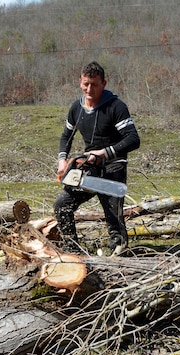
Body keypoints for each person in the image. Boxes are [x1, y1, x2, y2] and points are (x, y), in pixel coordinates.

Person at [54, 61, 140, 256]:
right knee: (62, 205)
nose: (89, 89)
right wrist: (62, 160)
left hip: (114, 167)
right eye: (86, 84)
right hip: (89, 167)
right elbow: (66, 137)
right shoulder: (76, 108)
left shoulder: (116, 107)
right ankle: (72, 251)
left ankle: (119, 257)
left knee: (113, 219)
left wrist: (104, 152)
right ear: (80, 82)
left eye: (94, 84)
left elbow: (133, 139)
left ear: (104, 83)